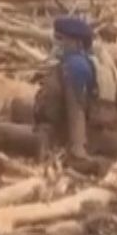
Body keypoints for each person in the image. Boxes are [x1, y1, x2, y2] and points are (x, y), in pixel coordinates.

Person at [36, 14, 100, 160]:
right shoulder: (71, 62)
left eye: (60, 39)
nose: (56, 43)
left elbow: (76, 106)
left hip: (57, 128)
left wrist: (77, 146)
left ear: (76, 42)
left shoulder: (75, 66)